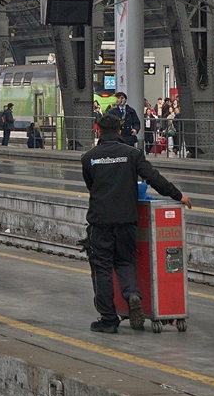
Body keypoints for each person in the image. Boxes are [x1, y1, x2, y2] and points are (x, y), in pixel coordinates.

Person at [81, 112, 192, 333]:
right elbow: (154, 178)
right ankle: (132, 295)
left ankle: (108, 319)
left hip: (100, 222)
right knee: (124, 262)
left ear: (98, 130)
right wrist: (178, 195)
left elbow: (90, 185)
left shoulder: (89, 157)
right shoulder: (132, 154)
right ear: (120, 131)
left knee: (102, 268)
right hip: (127, 221)